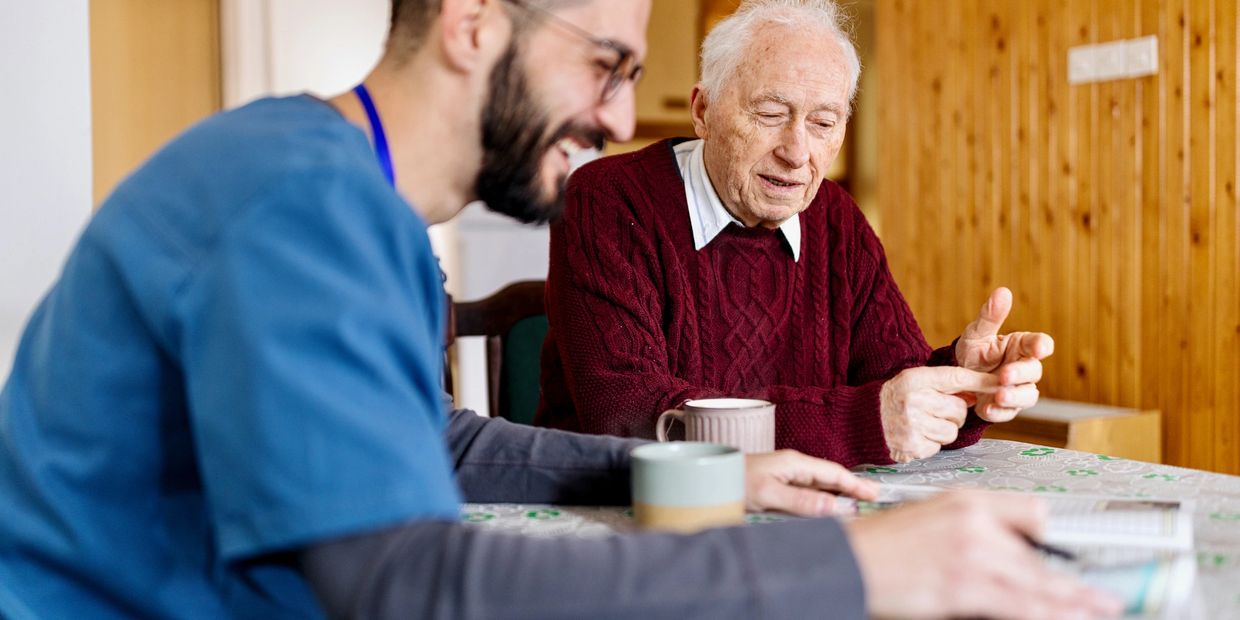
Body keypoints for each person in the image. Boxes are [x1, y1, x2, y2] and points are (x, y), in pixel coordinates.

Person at [0, 0, 1119, 618]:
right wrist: (860, 572)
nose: (621, 112)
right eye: (602, 64)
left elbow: (437, 440)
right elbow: (406, 583)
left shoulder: (362, 208)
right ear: (475, 22)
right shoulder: (293, 202)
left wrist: (690, 471)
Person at [537, 0, 1052, 468]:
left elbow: (895, 384)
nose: (797, 151)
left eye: (824, 123)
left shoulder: (835, 217)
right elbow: (627, 414)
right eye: (770, 114)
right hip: (627, 515)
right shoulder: (608, 198)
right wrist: (860, 422)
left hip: (794, 513)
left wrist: (962, 380)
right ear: (703, 111)